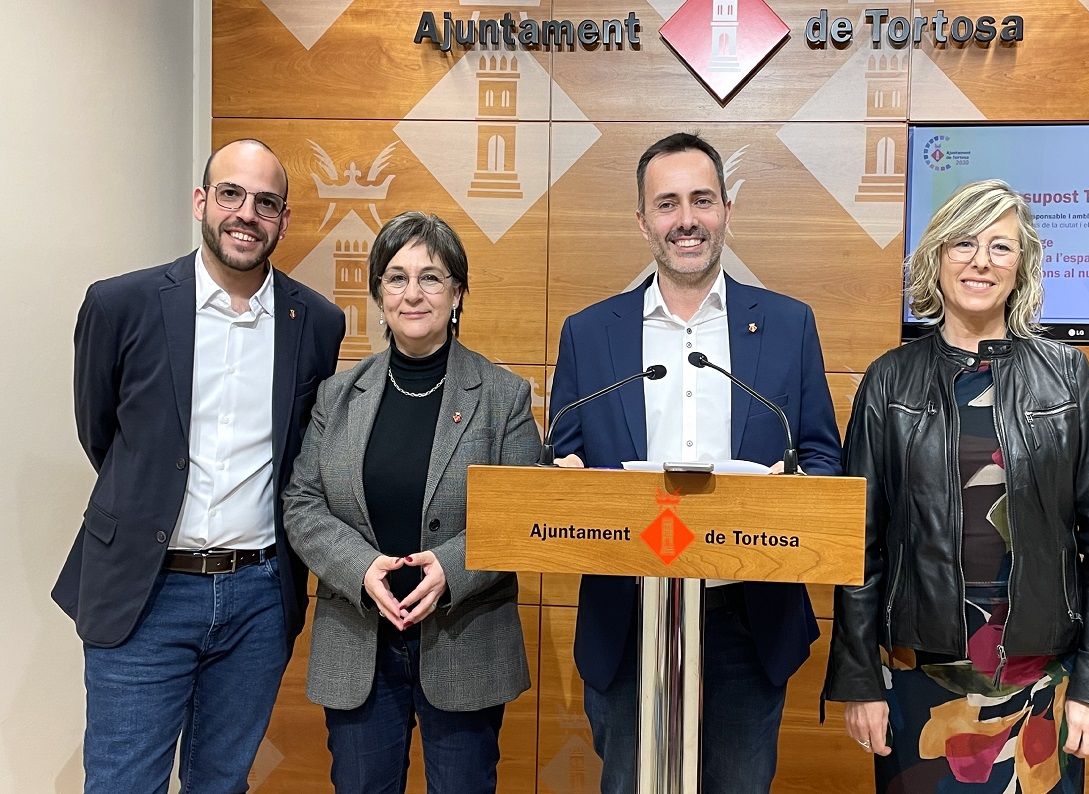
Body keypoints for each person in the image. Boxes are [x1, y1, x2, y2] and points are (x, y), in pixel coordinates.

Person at [548, 132, 842, 792]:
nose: (686, 219)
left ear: (727, 210)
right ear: (643, 221)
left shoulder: (789, 325)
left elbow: (823, 455)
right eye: (668, 203)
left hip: (745, 617)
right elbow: (557, 462)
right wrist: (563, 487)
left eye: (702, 200)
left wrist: (786, 492)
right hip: (627, 620)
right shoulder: (589, 334)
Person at [823, 179, 1089, 792]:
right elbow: (858, 544)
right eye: (963, 243)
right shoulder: (890, 380)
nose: (980, 261)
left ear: (1022, 267)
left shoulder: (1066, 376)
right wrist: (861, 680)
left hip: (1041, 678)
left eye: (1001, 247)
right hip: (918, 681)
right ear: (937, 257)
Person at [52, 138, 345, 792]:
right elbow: (101, 431)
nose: (247, 214)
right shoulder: (120, 304)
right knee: (124, 784)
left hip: (256, 598)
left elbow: (302, 456)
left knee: (222, 783)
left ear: (284, 220)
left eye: (266, 203)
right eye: (232, 195)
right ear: (201, 202)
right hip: (145, 592)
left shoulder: (317, 323)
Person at [282, 211, 538, 792]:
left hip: (464, 640)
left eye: (432, 277)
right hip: (358, 644)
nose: (413, 293)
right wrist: (359, 567)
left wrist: (450, 567)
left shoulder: (503, 396)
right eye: (396, 278)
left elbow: (524, 513)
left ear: (457, 293)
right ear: (377, 293)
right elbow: (301, 502)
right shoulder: (338, 394)